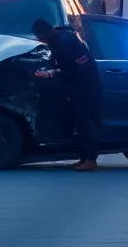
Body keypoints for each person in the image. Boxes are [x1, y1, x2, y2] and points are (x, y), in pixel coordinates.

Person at [31, 18, 101, 171]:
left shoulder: (66, 42)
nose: (40, 40)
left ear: (46, 33)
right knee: (79, 121)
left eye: (40, 37)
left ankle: (90, 159)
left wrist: (52, 74)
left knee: (84, 121)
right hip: (77, 85)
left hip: (84, 86)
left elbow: (79, 68)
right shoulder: (57, 40)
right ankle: (84, 158)